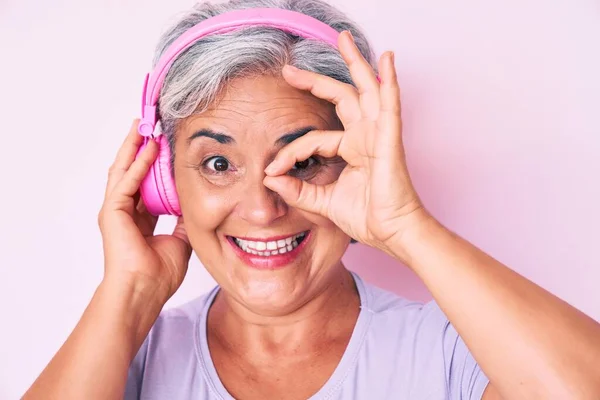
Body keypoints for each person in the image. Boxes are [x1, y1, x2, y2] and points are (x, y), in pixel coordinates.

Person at [23, 0, 600, 399]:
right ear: (166, 185)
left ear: (358, 167)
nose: (261, 208)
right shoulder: (120, 356)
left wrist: (405, 226)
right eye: (218, 164)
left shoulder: (455, 353)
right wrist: (127, 295)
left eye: (303, 160)